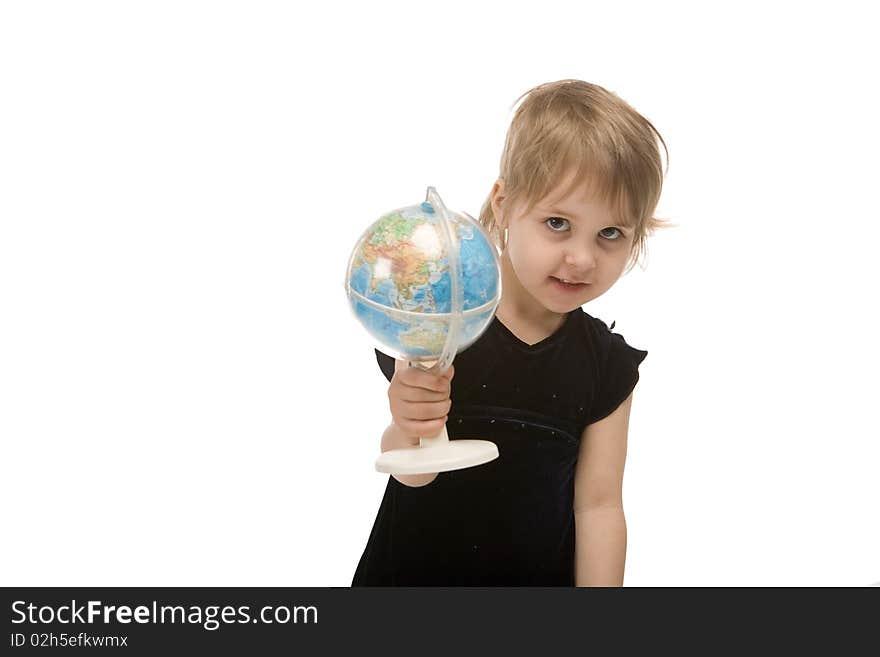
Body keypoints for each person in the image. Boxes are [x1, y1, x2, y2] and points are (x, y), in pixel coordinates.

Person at [352, 79, 673, 586]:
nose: (582, 258)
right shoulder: (439, 320)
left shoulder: (605, 365)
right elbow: (414, 471)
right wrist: (409, 423)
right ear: (503, 204)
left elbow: (599, 505)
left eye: (610, 233)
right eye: (558, 223)